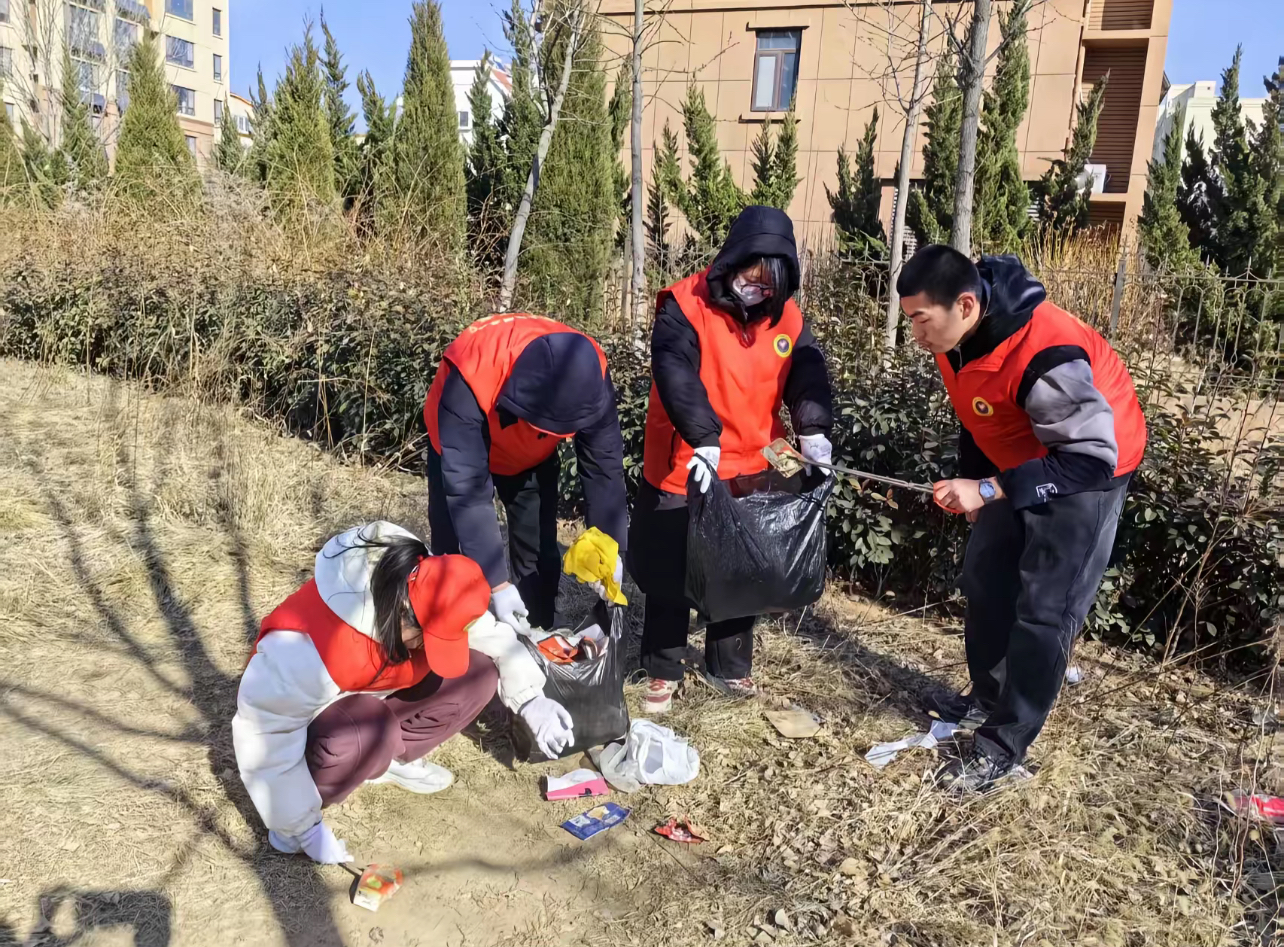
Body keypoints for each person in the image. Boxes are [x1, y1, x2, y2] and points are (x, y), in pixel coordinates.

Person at [897, 245, 1147, 793]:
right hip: (1020, 463)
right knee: (986, 578)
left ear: (965, 305)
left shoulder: (1046, 354)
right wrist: (975, 485)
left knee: (1044, 610)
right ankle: (987, 699)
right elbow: (977, 413)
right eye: (909, 318)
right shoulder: (955, 338)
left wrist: (987, 488)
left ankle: (1005, 747)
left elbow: (1088, 457)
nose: (914, 334)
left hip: (1086, 470)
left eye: (920, 319)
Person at [233, 521, 574, 863]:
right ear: (401, 612)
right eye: (426, 638)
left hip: (374, 694)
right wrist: (298, 827)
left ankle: (388, 761)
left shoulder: (424, 580)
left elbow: (490, 635)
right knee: (369, 727)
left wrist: (530, 699)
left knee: (480, 673)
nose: (426, 647)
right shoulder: (303, 649)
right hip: (319, 725)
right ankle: (336, 781)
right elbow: (266, 732)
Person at [628, 206, 834, 714]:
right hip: (688, 454)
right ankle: (663, 667)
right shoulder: (684, 305)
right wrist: (702, 434)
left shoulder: (787, 317)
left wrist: (813, 430)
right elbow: (675, 371)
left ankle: (729, 665)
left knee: (742, 565)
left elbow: (806, 372)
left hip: (756, 457)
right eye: (752, 278)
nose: (757, 291)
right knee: (672, 567)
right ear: (732, 262)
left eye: (769, 286)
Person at [423, 314, 628, 633]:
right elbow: (467, 492)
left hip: (530, 457)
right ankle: (450, 634)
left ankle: (536, 630)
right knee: (452, 551)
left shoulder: (588, 372)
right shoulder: (472, 369)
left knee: (538, 551)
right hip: (457, 441)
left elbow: (604, 467)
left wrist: (610, 546)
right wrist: (497, 584)